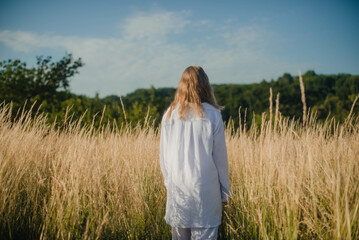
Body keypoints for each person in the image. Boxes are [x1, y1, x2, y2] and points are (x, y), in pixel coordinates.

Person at [160, 66, 231, 240]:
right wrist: (225, 192)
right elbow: (220, 159)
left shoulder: (170, 115)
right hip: (206, 191)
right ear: (205, 85)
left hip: (178, 190)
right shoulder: (214, 115)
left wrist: (169, 184)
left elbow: (164, 158)